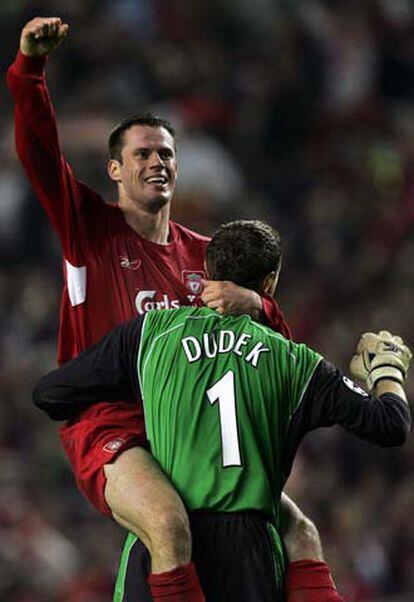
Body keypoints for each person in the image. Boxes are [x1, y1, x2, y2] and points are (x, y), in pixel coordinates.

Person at [6, 16, 323, 602]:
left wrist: (255, 301)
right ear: (115, 170)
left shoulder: (209, 255)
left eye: (168, 153)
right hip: (111, 426)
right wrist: (30, 71)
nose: (158, 162)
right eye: (143, 153)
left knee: (300, 531)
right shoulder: (89, 232)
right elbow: (40, 155)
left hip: (192, 431)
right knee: (168, 523)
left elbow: (277, 347)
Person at [33, 220, 412, 601]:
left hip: (171, 554)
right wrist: (387, 369)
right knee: (301, 532)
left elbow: (51, 393)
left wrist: (140, 423)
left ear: (208, 272)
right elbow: (391, 425)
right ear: (269, 285)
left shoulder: (150, 333)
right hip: (253, 552)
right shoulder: (296, 362)